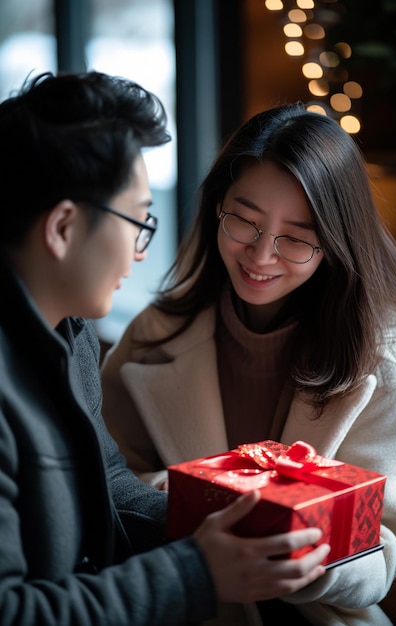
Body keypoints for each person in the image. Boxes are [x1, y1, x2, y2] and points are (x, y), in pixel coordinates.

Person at [0, 72, 332, 626]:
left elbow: (108, 484)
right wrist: (196, 572)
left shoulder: (70, 332)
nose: (139, 247)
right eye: (137, 219)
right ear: (62, 227)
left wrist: (229, 523)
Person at [101, 102, 396, 625]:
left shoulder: (388, 360)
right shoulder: (155, 334)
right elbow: (111, 473)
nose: (261, 254)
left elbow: (380, 551)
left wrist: (307, 551)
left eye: (295, 237)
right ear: (216, 208)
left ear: (336, 241)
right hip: (182, 600)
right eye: (244, 220)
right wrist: (201, 502)